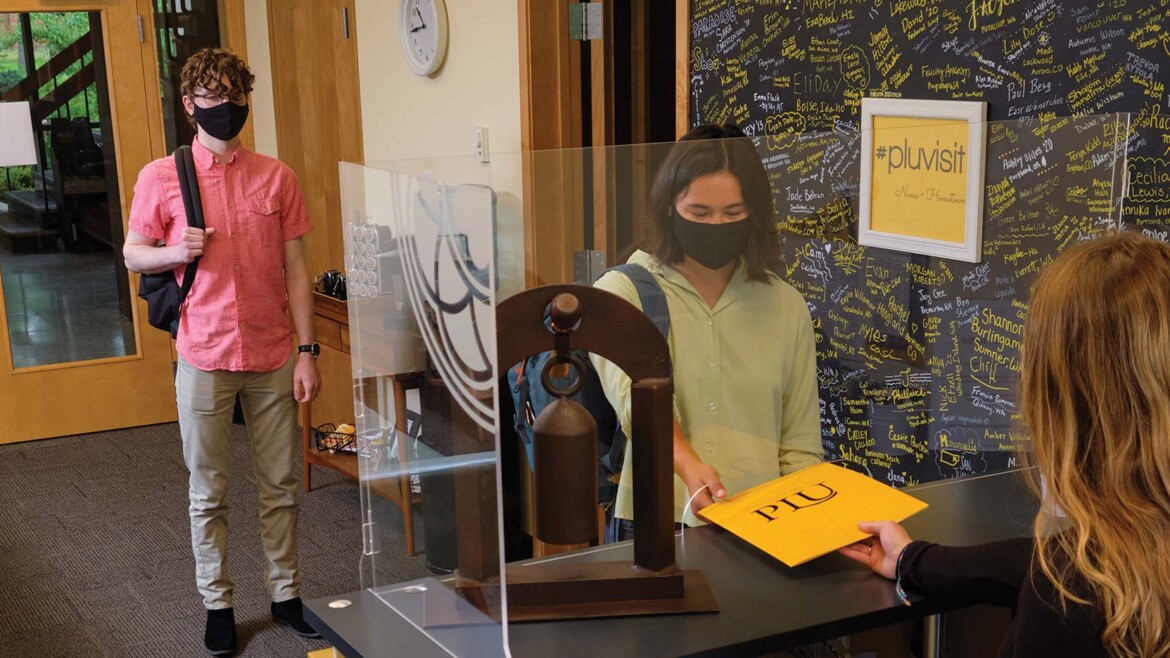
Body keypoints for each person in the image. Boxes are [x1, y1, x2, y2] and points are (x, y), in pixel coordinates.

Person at [841, 231, 1170, 658]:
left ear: (1057, 396)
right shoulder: (1129, 549)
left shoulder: (1070, 593)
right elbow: (1037, 561)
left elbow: (1059, 570)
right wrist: (913, 562)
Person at [123, 48, 321, 656]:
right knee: (208, 490)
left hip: (272, 352)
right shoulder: (161, 177)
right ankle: (219, 604)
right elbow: (134, 254)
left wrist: (308, 350)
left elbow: (295, 268)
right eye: (213, 97)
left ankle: (285, 595)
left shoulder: (276, 176)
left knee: (281, 483)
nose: (226, 108)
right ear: (190, 106)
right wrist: (173, 251)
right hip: (203, 352)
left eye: (236, 96)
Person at [593, 124, 823, 541]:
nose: (717, 225)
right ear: (667, 206)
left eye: (733, 213)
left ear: (755, 213)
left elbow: (800, 446)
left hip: (763, 529)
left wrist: (813, 528)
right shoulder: (621, 293)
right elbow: (635, 404)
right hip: (656, 528)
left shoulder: (785, 306)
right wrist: (688, 466)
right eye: (699, 214)